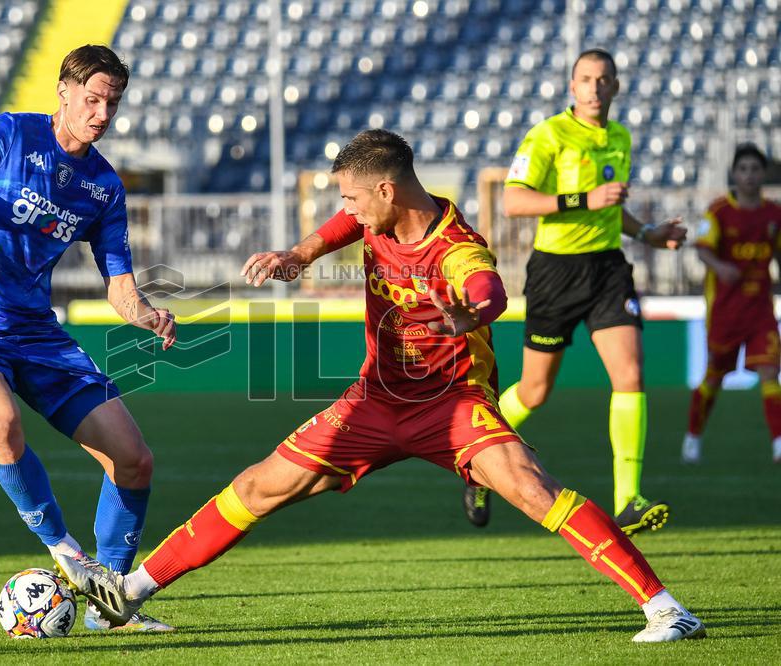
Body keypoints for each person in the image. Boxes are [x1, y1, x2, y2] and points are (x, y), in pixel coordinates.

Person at [99, 129, 706, 642]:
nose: (349, 208)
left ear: (387, 191)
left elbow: (487, 286)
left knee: (531, 488)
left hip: (452, 404)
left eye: (353, 196)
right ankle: (130, 591)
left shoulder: (455, 246)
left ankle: (665, 608)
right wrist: (300, 254)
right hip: (374, 400)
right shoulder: (375, 217)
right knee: (258, 486)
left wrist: (473, 314)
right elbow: (345, 223)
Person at [0, 45, 177, 633]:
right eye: (92, 99)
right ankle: (65, 551)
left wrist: (146, 314)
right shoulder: (11, 134)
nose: (102, 114)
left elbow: (119, 285)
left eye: (112, 103)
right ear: (63, 91)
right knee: (1, 424)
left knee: (134, 460)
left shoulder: (104, 186)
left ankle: (109, 606)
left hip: (37, 333)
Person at [467, 48, 687, 534]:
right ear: (572, 86)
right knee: (535, 390)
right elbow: (513, 201)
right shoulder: (548, 135)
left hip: (608, 268)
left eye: (603, 79)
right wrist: (584, 198)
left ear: (616, 86)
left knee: (630, 373)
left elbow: (610, 208)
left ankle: (628, 500)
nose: (594, 87)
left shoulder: (620, 137)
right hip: (556, 272)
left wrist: (648, 233)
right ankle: (475, 461)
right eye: (585, 79)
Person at [683, 143, 781, 464]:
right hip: (726, 312)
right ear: (734, 174)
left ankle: (779, 442)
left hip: (761, 311)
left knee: (770, 372)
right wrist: (720, 266)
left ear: (763, 174)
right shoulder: (718, 211)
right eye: (743, 169)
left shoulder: (774, 214)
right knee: (714, 377)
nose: (749, 175)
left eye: (755, 169)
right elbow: (702, 249)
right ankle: (693, 436)